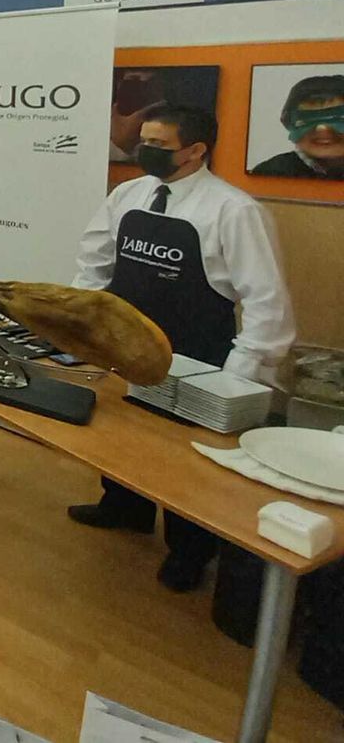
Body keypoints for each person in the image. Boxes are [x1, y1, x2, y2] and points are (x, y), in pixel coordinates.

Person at [70, 104, 296, 591]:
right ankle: (123, 507)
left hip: (199, 354)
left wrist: (237, 379)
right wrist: (84, 319)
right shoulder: (128, 194)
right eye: (142, 142)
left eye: (159, 145)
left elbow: (267, 302)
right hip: (128, 344)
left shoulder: (233, 211)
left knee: (187, 460)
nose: (145, 151)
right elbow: (94, 259)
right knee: (123, 433)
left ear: (196, 150)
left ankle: (190, 550)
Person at [251, 74, 344, 179]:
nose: (322, 128)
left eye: (339, 118)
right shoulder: (268, 172)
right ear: (288, 122)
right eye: (307, 119)